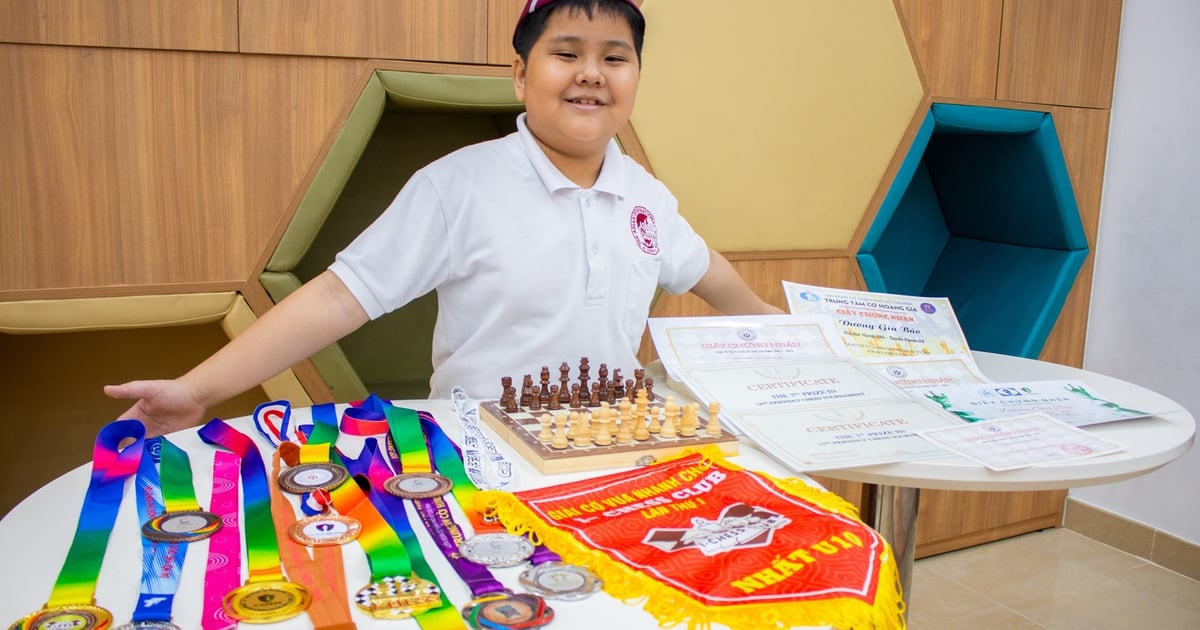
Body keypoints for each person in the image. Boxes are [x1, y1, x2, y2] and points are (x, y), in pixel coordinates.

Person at [105, 0, 782, 437]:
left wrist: (780, 330)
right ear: (520, 74)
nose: (592, 73)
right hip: (479, 458)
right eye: (567, 53)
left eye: (615, 57)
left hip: (606, 453)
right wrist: (196, 389)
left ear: (636, 77)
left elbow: (706, 271)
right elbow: (340, 298)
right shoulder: (459, 185)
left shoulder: (645, 196)